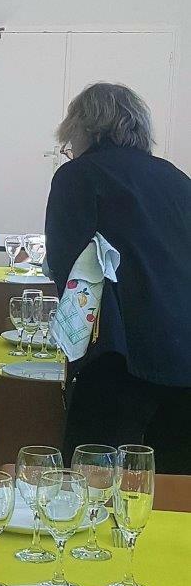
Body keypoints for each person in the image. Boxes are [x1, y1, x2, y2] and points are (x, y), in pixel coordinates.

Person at [45, 82, 191, 474]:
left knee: (93, 489)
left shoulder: (77, 176)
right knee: (176, 494)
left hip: (119, 359)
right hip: (185, 359)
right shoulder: (179, 181)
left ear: (85, 130)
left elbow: (66, 269)